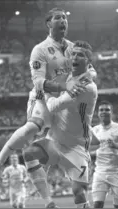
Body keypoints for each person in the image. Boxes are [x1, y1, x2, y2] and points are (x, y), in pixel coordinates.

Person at [0, 8, 95, 208]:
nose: (63, 21)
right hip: (44, 96)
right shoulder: (40, 50)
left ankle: (51, 198)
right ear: (48, 24)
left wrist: (87, 78)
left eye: (65, 18)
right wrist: (65, 86)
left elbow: (91, 69)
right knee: (34, 127)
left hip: (63, 100)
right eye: (58, 18)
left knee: (50, 143)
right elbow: (38, 82)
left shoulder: (73, 48)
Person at [22, 40, 98, 208]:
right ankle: (48, 202)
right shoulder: (70, 75)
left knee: (79, 194)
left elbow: (53, 106)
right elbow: (90, 72)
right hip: (55, 141)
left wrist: (45, 93)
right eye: (74, 53)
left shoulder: (86, 88)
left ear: (88, 62)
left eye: (81, 55)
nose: (75, 57)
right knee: (29, 153)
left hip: (76, 146)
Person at [90, 100, 118, 208]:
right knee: (97, 205)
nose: (104, 112)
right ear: (98, 113)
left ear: (112, 112)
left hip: (116, 171)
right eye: (101, 110)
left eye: (107, 110)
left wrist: (116, 145)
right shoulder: (95, 130)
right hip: (99, 172)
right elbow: (89, 148)